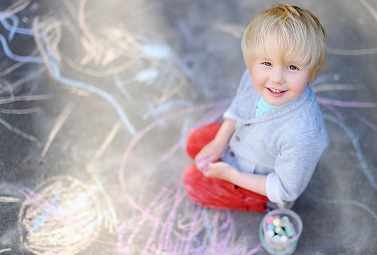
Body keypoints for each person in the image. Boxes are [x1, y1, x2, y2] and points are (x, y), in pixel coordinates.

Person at [183, 3, 329, 212]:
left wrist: (232, 176)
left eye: (292, 67)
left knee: (192, 182)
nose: (276, 78)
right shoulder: (255, 76)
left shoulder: (305, 135)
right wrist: (218, 142)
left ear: (311, 73)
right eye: (267, 64)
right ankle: (223, 156)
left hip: (255, 180)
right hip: (242, 141)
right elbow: (238, 107)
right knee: (194, 142)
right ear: (252, 62)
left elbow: (285, 188)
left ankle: (259, 204)